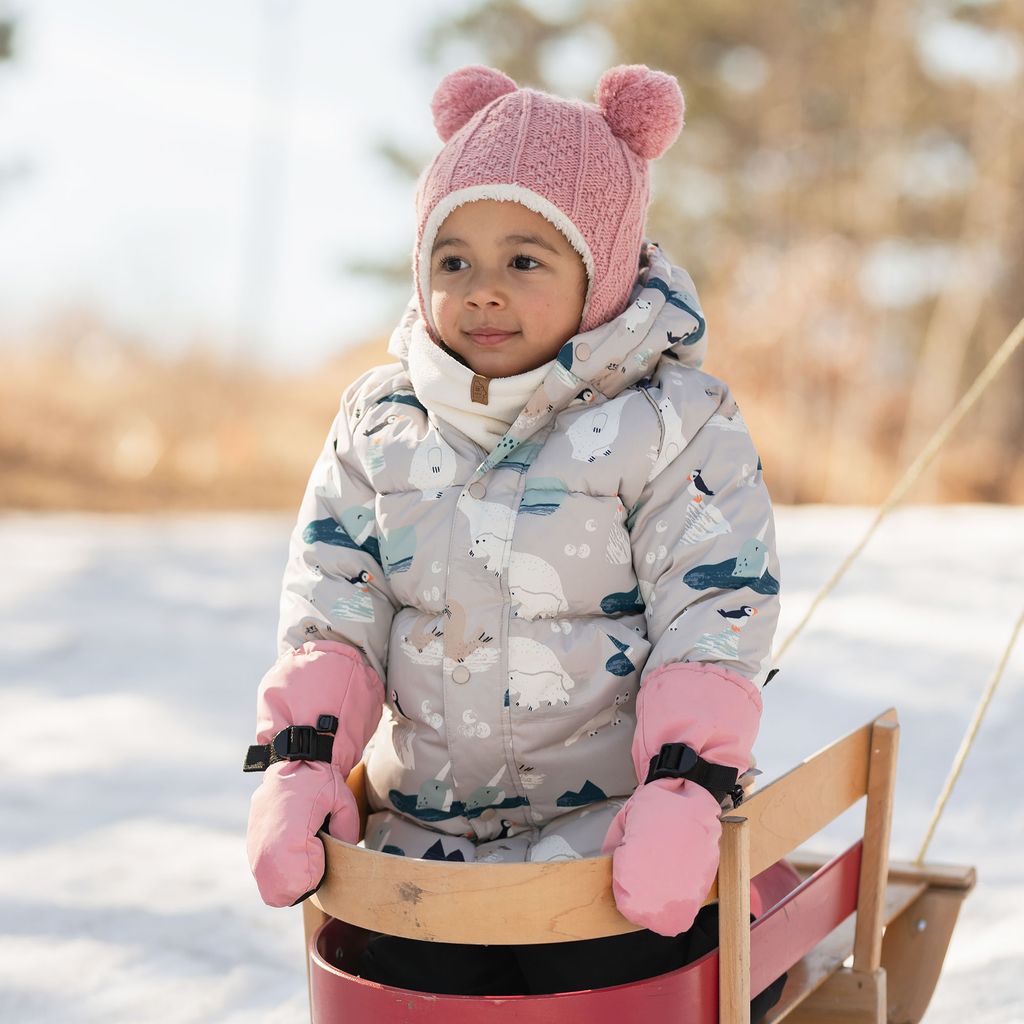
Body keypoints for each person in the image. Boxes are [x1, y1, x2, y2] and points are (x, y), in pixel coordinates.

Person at [243, 64, 783, 1011]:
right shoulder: (383, 424)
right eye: (453, 260)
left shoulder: (671, 423)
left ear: (602, 272)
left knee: (625, 990)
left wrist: (684, 789)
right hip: (424, 850)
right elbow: (334, 600)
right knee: (397, 994)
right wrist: (303, 759)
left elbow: (715, 604)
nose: (483, 291)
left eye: (525, 260)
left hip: (612, 843)